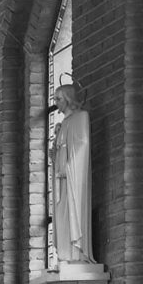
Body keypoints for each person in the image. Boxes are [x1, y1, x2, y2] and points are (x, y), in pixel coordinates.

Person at [50, 82, 93, 265]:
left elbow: (83, 145)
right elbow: (60, 150)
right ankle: (64, 255)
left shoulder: (81, 117)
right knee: (61, 215)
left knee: (72, 213)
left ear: (68, 99)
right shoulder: (61, 125)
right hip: (60, 179)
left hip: (73, 177)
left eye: (59, 99)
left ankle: (76, 254)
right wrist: (54, 156)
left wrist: (67, 168)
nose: (56, 103)